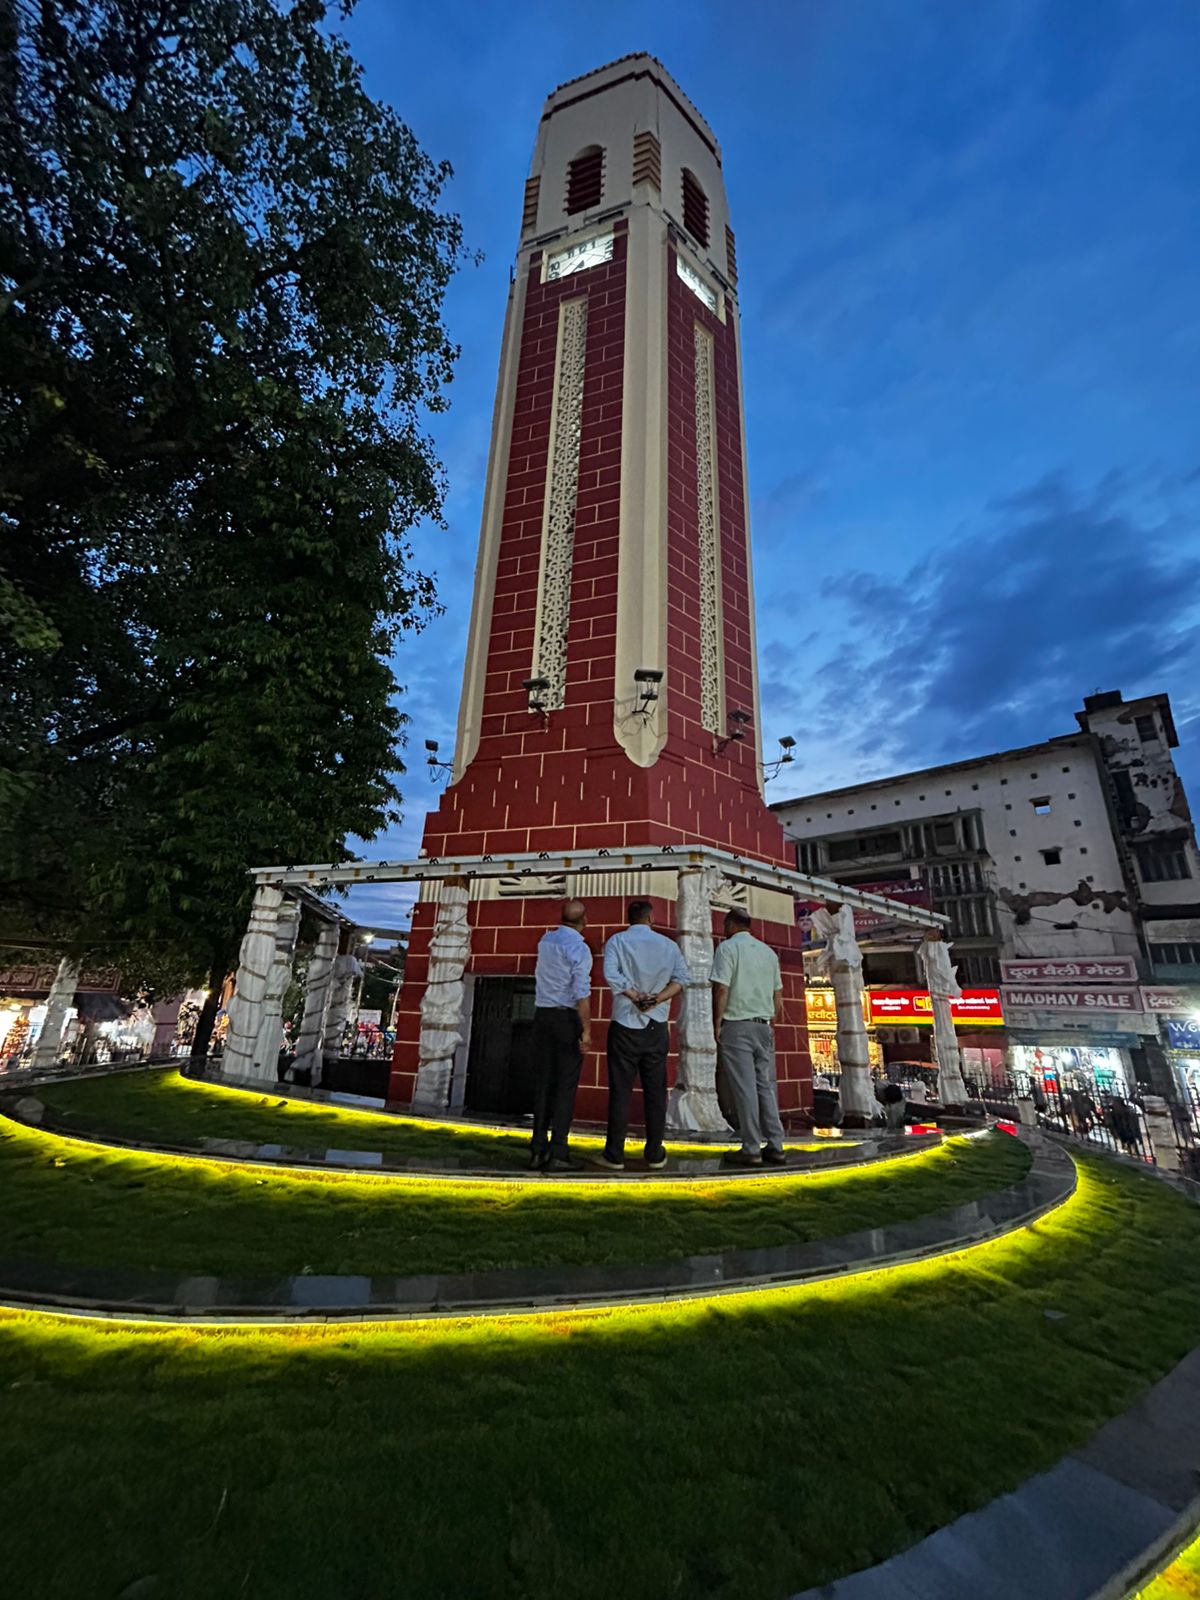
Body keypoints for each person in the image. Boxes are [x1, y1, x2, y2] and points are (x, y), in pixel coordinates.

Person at [598, 899, 691, 1170]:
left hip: (624, 1023)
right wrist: (657, 999)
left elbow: (610, 974)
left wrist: (634, 995)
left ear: (630, 918)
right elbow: (681, 980)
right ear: (650, 919)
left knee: (620, 1091)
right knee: (655, 1092)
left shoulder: (617, 941)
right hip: (656, 1025)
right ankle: (654, 1152)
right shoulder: (669, 946)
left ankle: (614, 1153)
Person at [710, 908, 787, 1167]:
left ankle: (751, 1148)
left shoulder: (728, 949)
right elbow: (778, 998)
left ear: (731, 925)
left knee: (744, 1088)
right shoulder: (768, 953)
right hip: (763, 1027)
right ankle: (776, 1145)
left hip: (737, 1025)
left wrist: (717, 1022)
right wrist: (769, 1022)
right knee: (764, 1086)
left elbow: (722, 989)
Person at [529, 899, 593, 1171]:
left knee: (542, 1083)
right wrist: (587, 1030)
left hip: (542, 1015)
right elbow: (581, 992)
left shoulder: (546, 941)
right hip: (566, 1018)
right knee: (565, 1086)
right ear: (584, 921)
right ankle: (558, 1151)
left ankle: (537, 1148)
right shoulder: (579, 948)